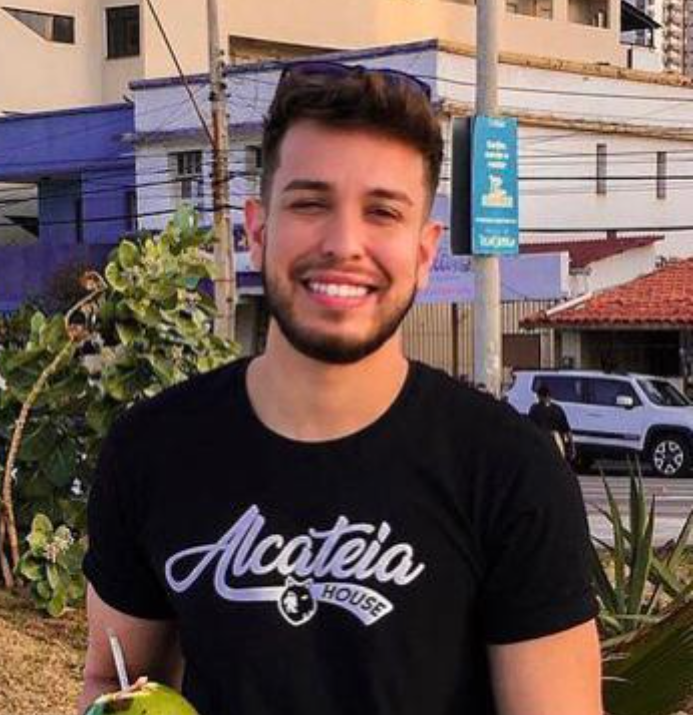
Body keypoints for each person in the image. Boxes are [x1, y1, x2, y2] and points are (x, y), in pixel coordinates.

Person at [79, 61, 602, 715]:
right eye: (310, 203)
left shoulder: (510, 473)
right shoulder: (151, 451)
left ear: (424, 251)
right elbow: (115, 683)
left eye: (382, 212)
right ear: (257, 230)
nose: (344, 243)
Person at [528, 385, 576, 463]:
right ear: (550, 396)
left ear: (539, 396)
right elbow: (567, 430)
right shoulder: (558, 409)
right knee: (558, 463)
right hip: (556, 440)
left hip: (541, 440)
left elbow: (530, 427)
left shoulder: (535, 409)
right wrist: (572, 446)